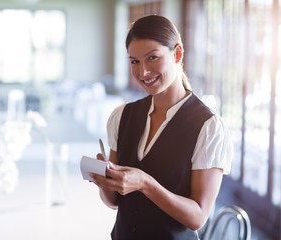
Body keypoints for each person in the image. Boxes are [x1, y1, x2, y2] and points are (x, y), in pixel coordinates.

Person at [89, 15, 233, 239]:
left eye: (153, 58)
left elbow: (198, 217)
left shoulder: (208, 127)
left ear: (177, 53)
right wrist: (104, 182)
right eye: (134, 61)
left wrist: (145, 183)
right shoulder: (122, 116)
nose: (143, 72)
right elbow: (115, 202)